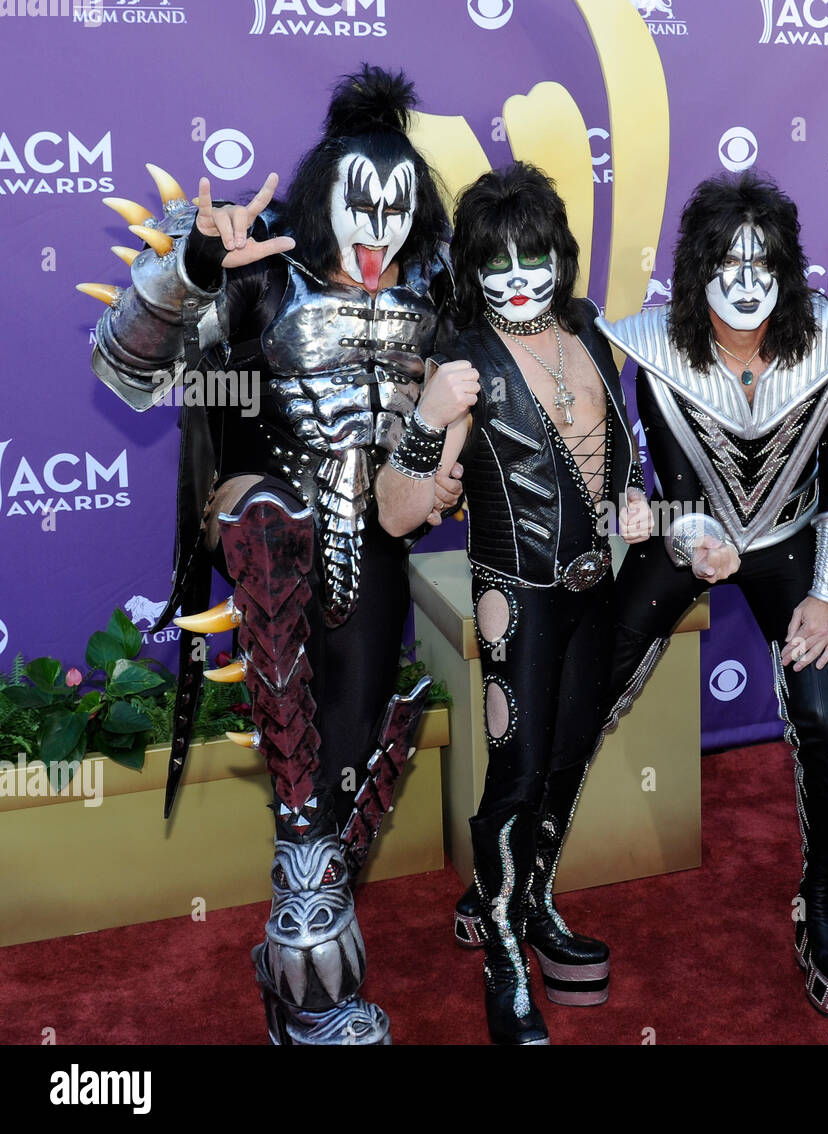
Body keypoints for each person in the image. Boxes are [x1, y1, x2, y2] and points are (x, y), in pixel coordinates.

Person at [80, 65, 463, 1045]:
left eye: (398, 209)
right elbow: (125, 370)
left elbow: (472, 398)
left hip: (374, 539)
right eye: (360, 205)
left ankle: (296, 968)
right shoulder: (264, 271)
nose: (377, 230)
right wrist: (195, 268)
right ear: (323, 196)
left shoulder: (433, 289)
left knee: (350, 749)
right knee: (269, 542)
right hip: (267, 532)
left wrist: (442, 463)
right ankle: (311, 982)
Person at [595, 171, 828, 1019]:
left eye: (763, 262)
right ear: (698, 271)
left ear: (787, 269)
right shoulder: (657, 350)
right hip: (689, 536)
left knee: (825, 716)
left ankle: (824, 895)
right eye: (727, 261)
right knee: (594, 682)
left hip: (795, 546)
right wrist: (696, 543)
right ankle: (518, 880)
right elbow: (676, 487)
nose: (746, 279)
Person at [377, 163, 653, 1045]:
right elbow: (395, 511)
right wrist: (429, 420)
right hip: (517, 595)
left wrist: (634, 498)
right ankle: (501, 949)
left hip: (595, 588)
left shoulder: (587, 326)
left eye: (532, 256)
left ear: (559, 255)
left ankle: (529, 901)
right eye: (495, 262)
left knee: (568, 759)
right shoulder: (462, 360)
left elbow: (613, 448)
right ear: (471, 268)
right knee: (520, 772)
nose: (519, 277)